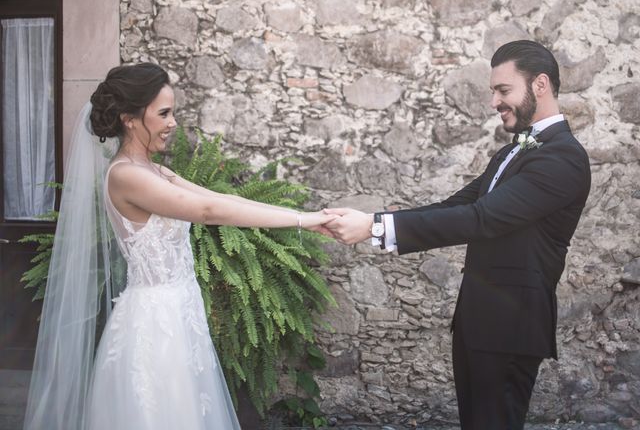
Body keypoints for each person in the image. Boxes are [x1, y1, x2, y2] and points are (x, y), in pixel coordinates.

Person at [23, 62, 335, 430]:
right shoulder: (126, 175)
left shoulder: (153, 170)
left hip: (180, 311)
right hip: (154, 326)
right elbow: (207, 211)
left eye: (173, 113)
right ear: (129, 118)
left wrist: (309, 216)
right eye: (164, 113)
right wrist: (305, 222)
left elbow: (217, 197)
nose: (173, 123)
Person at [322, 40, 591, 429]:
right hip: (478, 318)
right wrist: (372, 222)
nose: (494, 102)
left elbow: (482, 219)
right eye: (493, 91)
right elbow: (454, 206)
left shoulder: (563, 157)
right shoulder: (510, 152)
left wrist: (374, 227)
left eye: (503, 90)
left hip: (510, 325)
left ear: (540, 85)